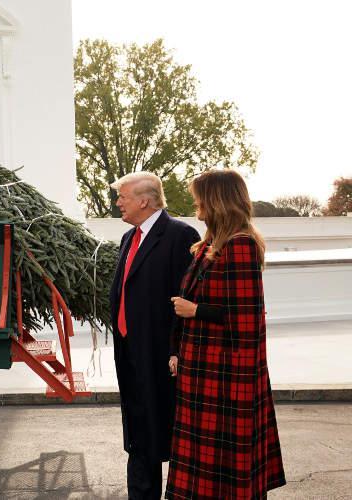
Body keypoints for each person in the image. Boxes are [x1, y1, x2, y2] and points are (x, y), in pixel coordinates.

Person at [166, 169, 285, 498]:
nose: (196, 204)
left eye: (200, 197)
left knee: (224, 468)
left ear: (217, 200)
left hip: (226, 378)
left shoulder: (241, 245)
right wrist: (178, 352)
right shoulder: (209, 246)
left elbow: (247, 320)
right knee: (204, 465)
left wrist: (196, 310)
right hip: (203, 370)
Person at [109, 171, 200, 499]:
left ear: (144, 200)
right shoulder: (128, 238)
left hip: (163, 357)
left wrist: (177, 350)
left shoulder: (180, 236)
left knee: (168, 435)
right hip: (130, 352)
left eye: (124, 196)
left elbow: (188, 297)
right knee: (139, 434)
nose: (118, 202)